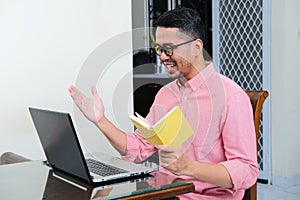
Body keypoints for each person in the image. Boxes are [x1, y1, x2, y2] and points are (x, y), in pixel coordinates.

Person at [68, 7, 258, 199]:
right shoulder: (166, 94)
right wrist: (100, 120)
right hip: (164, 192)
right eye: (159, 49)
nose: (162, 57)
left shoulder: (231, 96)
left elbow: (247, 170)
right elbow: (140, 148)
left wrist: (188, 167)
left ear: (197, 47)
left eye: (169, 49)